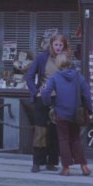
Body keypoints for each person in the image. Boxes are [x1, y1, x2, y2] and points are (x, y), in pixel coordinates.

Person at [41, 53, 92, 176]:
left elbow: (46, 92)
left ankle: (66, 168)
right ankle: (84, 166)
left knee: (63, 140)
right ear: (69, 63)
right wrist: (89, 110)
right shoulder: (78, 76)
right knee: (75, 139)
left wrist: (48, 103)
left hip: (61, 113)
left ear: (58, 64)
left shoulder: (55, 77)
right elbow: (87, 95)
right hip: (76, 113)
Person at [25, 33, 69, 172]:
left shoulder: (65, 59)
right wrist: (35, 91)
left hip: (59, 99)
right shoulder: (42, 57)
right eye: (56, 44)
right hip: (42, 98)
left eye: (60, 45)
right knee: (40, 130)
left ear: (64, 46)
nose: (58, 47)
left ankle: (52, 162)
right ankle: (37, 162)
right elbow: (29, 76)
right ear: (51, 45)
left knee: (55, 131)